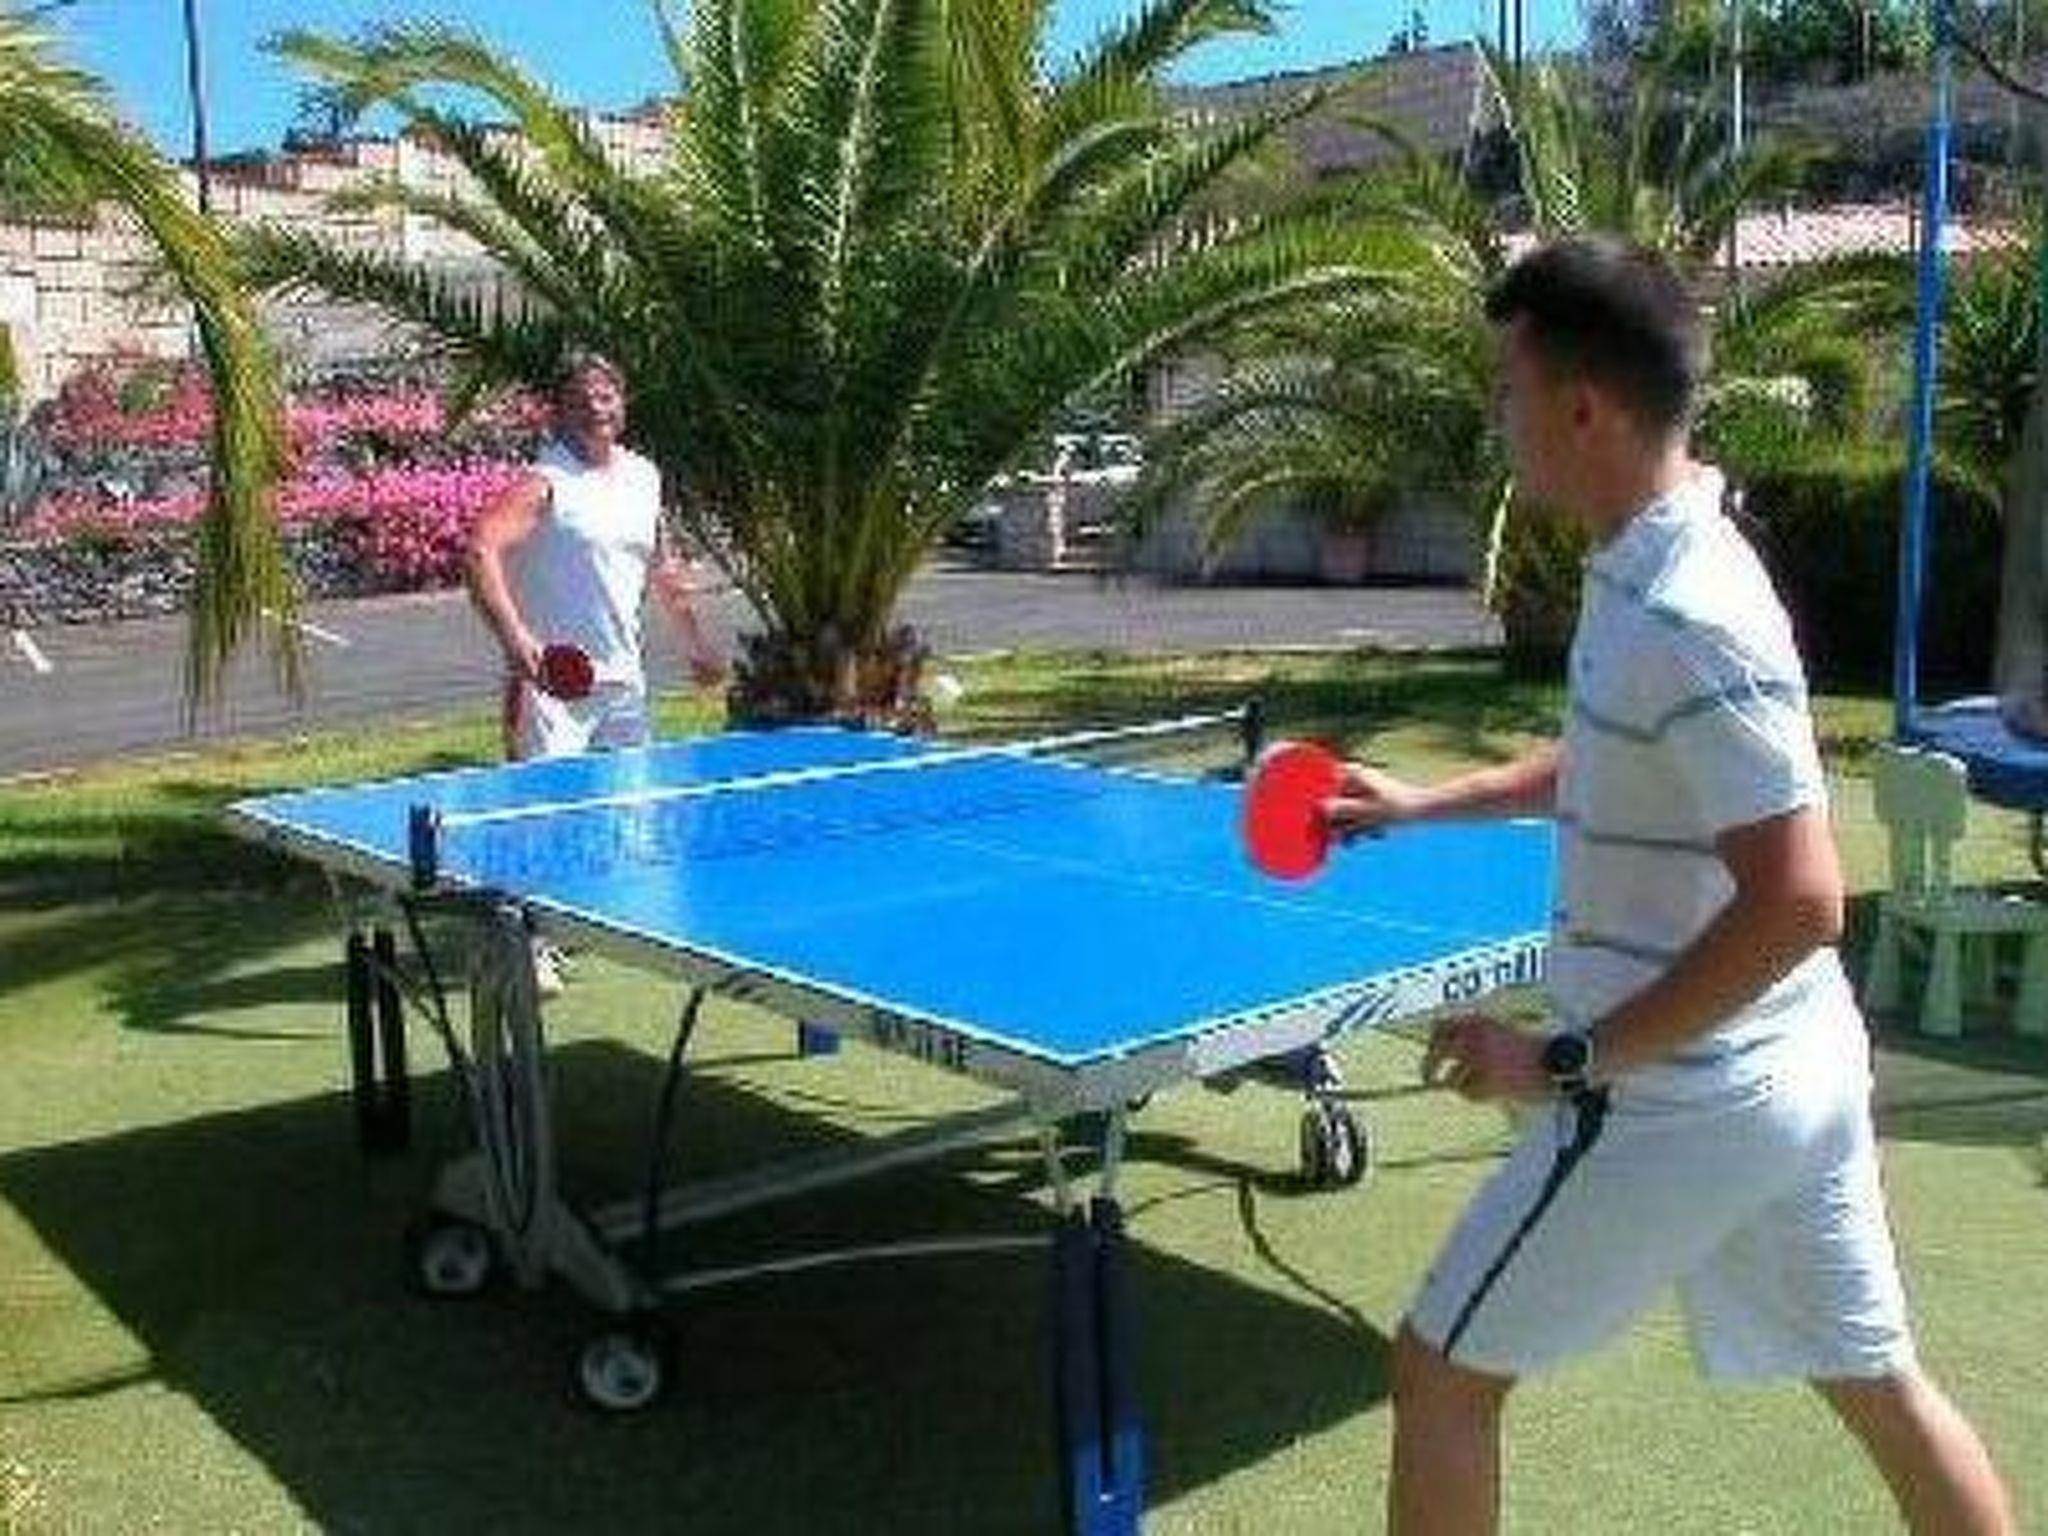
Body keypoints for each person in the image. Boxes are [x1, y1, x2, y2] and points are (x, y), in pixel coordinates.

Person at [1325, 238, 2014, 1536]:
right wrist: (1426, 803)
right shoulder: (1654, 562)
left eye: (1508, 389)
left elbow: (1800, 899)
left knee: (1438, 1375)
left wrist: (1563, 1060)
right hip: (1793, 1076)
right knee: (1878, 1386)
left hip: (1679, 1100)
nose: (1499, 417)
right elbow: (1617, 755)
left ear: (1583, 409)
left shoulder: (1686, 611)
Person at [466, 348, 724, 762]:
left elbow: (662, 568)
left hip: (624, 685)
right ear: (558, 413)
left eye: (606, 397)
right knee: (549, 803)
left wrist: (696, 645)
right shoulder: (544, 484)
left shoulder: (644, 476)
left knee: (630, 802)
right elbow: (481, 550)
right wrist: (516, 639)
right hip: (550, 690)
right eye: (580, 401)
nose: (596, 409)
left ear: (623, 403)